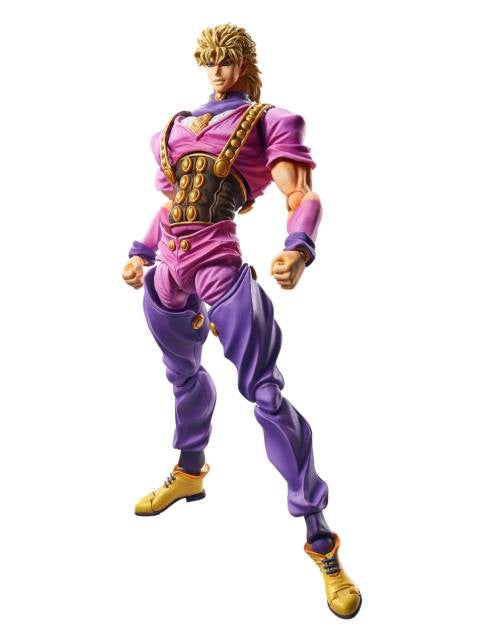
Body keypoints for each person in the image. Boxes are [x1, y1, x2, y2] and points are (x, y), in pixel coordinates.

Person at [122, 23, 361, 619]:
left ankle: (321, 541)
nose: (216, 70)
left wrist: (298, 247)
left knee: (265, 396)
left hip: (219, 265)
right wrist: (140, 251)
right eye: (209, 61)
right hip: (169, 270)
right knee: (182, 376)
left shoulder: (269, 120)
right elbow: (170, 205)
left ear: (244, 64)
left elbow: (301, 193)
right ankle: (190, 471)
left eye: (226, 61)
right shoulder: (175, 127)